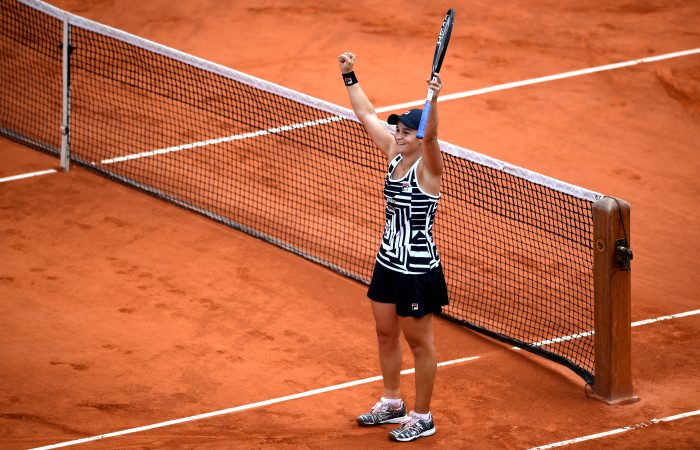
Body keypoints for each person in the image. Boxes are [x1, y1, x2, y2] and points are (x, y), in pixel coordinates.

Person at [337, 51, 449, 442]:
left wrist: (433, 98)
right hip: (387, 261)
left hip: (417, 270)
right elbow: (366, 114)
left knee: (420, 344)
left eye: (404, 131)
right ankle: (392, 402)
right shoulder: (393, 154)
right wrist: (350, 75)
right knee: (385, 333)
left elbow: (432, 134)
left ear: (418, 137)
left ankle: (422, 416)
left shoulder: (429, 168)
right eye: (397, 129)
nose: (397, 134)